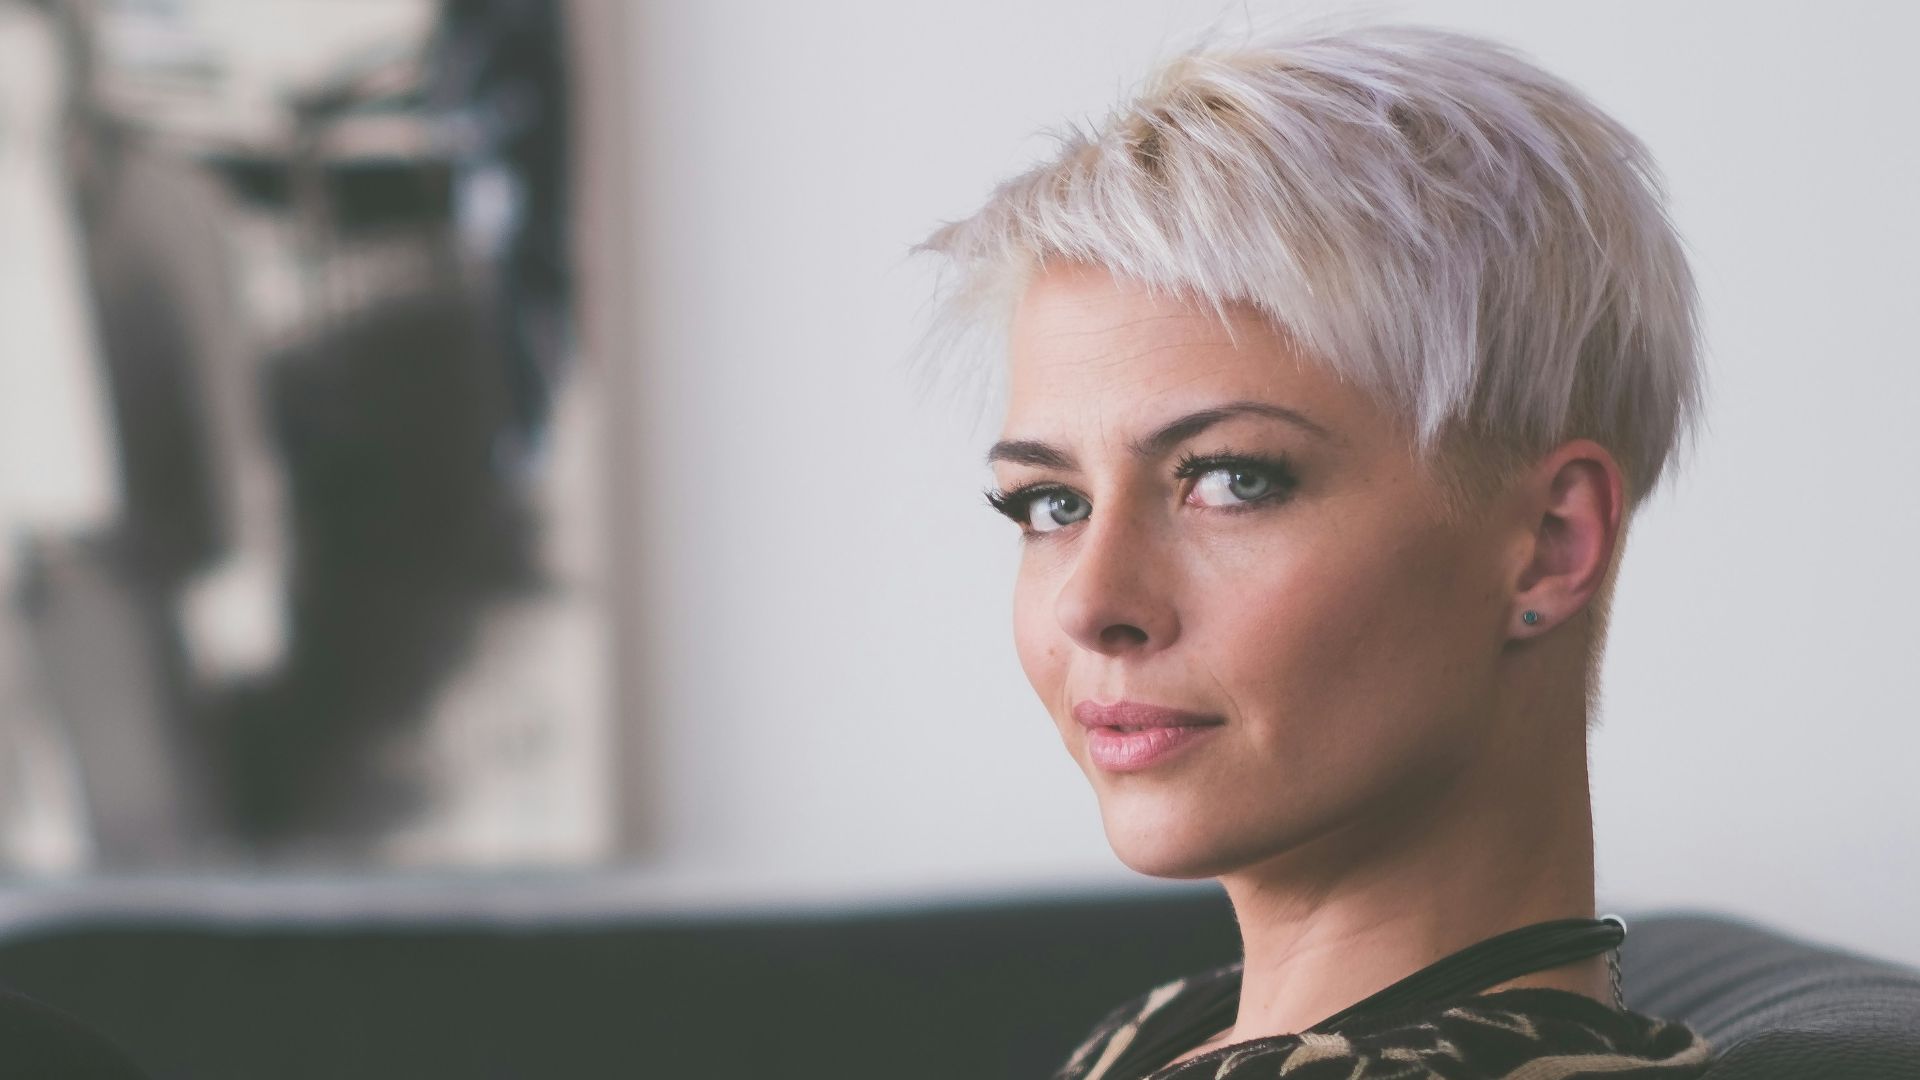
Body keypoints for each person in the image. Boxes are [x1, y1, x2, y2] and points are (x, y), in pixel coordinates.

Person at [909, 17, 1714, 1079]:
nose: (1092, 602)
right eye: (1051, 503)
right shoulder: (1177, 1030)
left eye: (1234, 479)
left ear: (1550, 545)